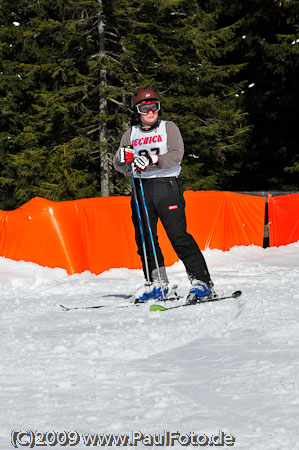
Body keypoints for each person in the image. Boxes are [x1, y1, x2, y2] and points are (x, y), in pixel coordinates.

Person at [113, 87, 214, 303]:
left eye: (154, 107)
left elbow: (177, 155)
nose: (150, 112)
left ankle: (202, 282)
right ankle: (158, 283)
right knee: (145, 238)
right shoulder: (130, 134)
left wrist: (154, 160)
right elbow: (120, 165)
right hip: (141, 188)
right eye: (145, 108)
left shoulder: (169, 128)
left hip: (166, 186)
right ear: (137, 111)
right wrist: (121, 158)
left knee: (178, 236)